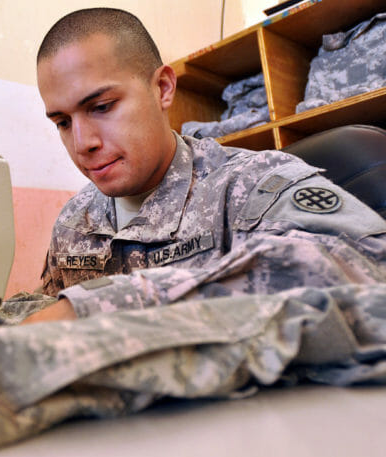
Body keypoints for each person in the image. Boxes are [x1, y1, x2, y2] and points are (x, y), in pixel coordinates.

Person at [22, 7, 386, 323]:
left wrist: (102, 308)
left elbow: (366, 275)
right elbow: (48, 310)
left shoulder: (255, 186)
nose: (83, 143)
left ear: (163, 88)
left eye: (101, 107)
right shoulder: (75, 221)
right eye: (63, 123)